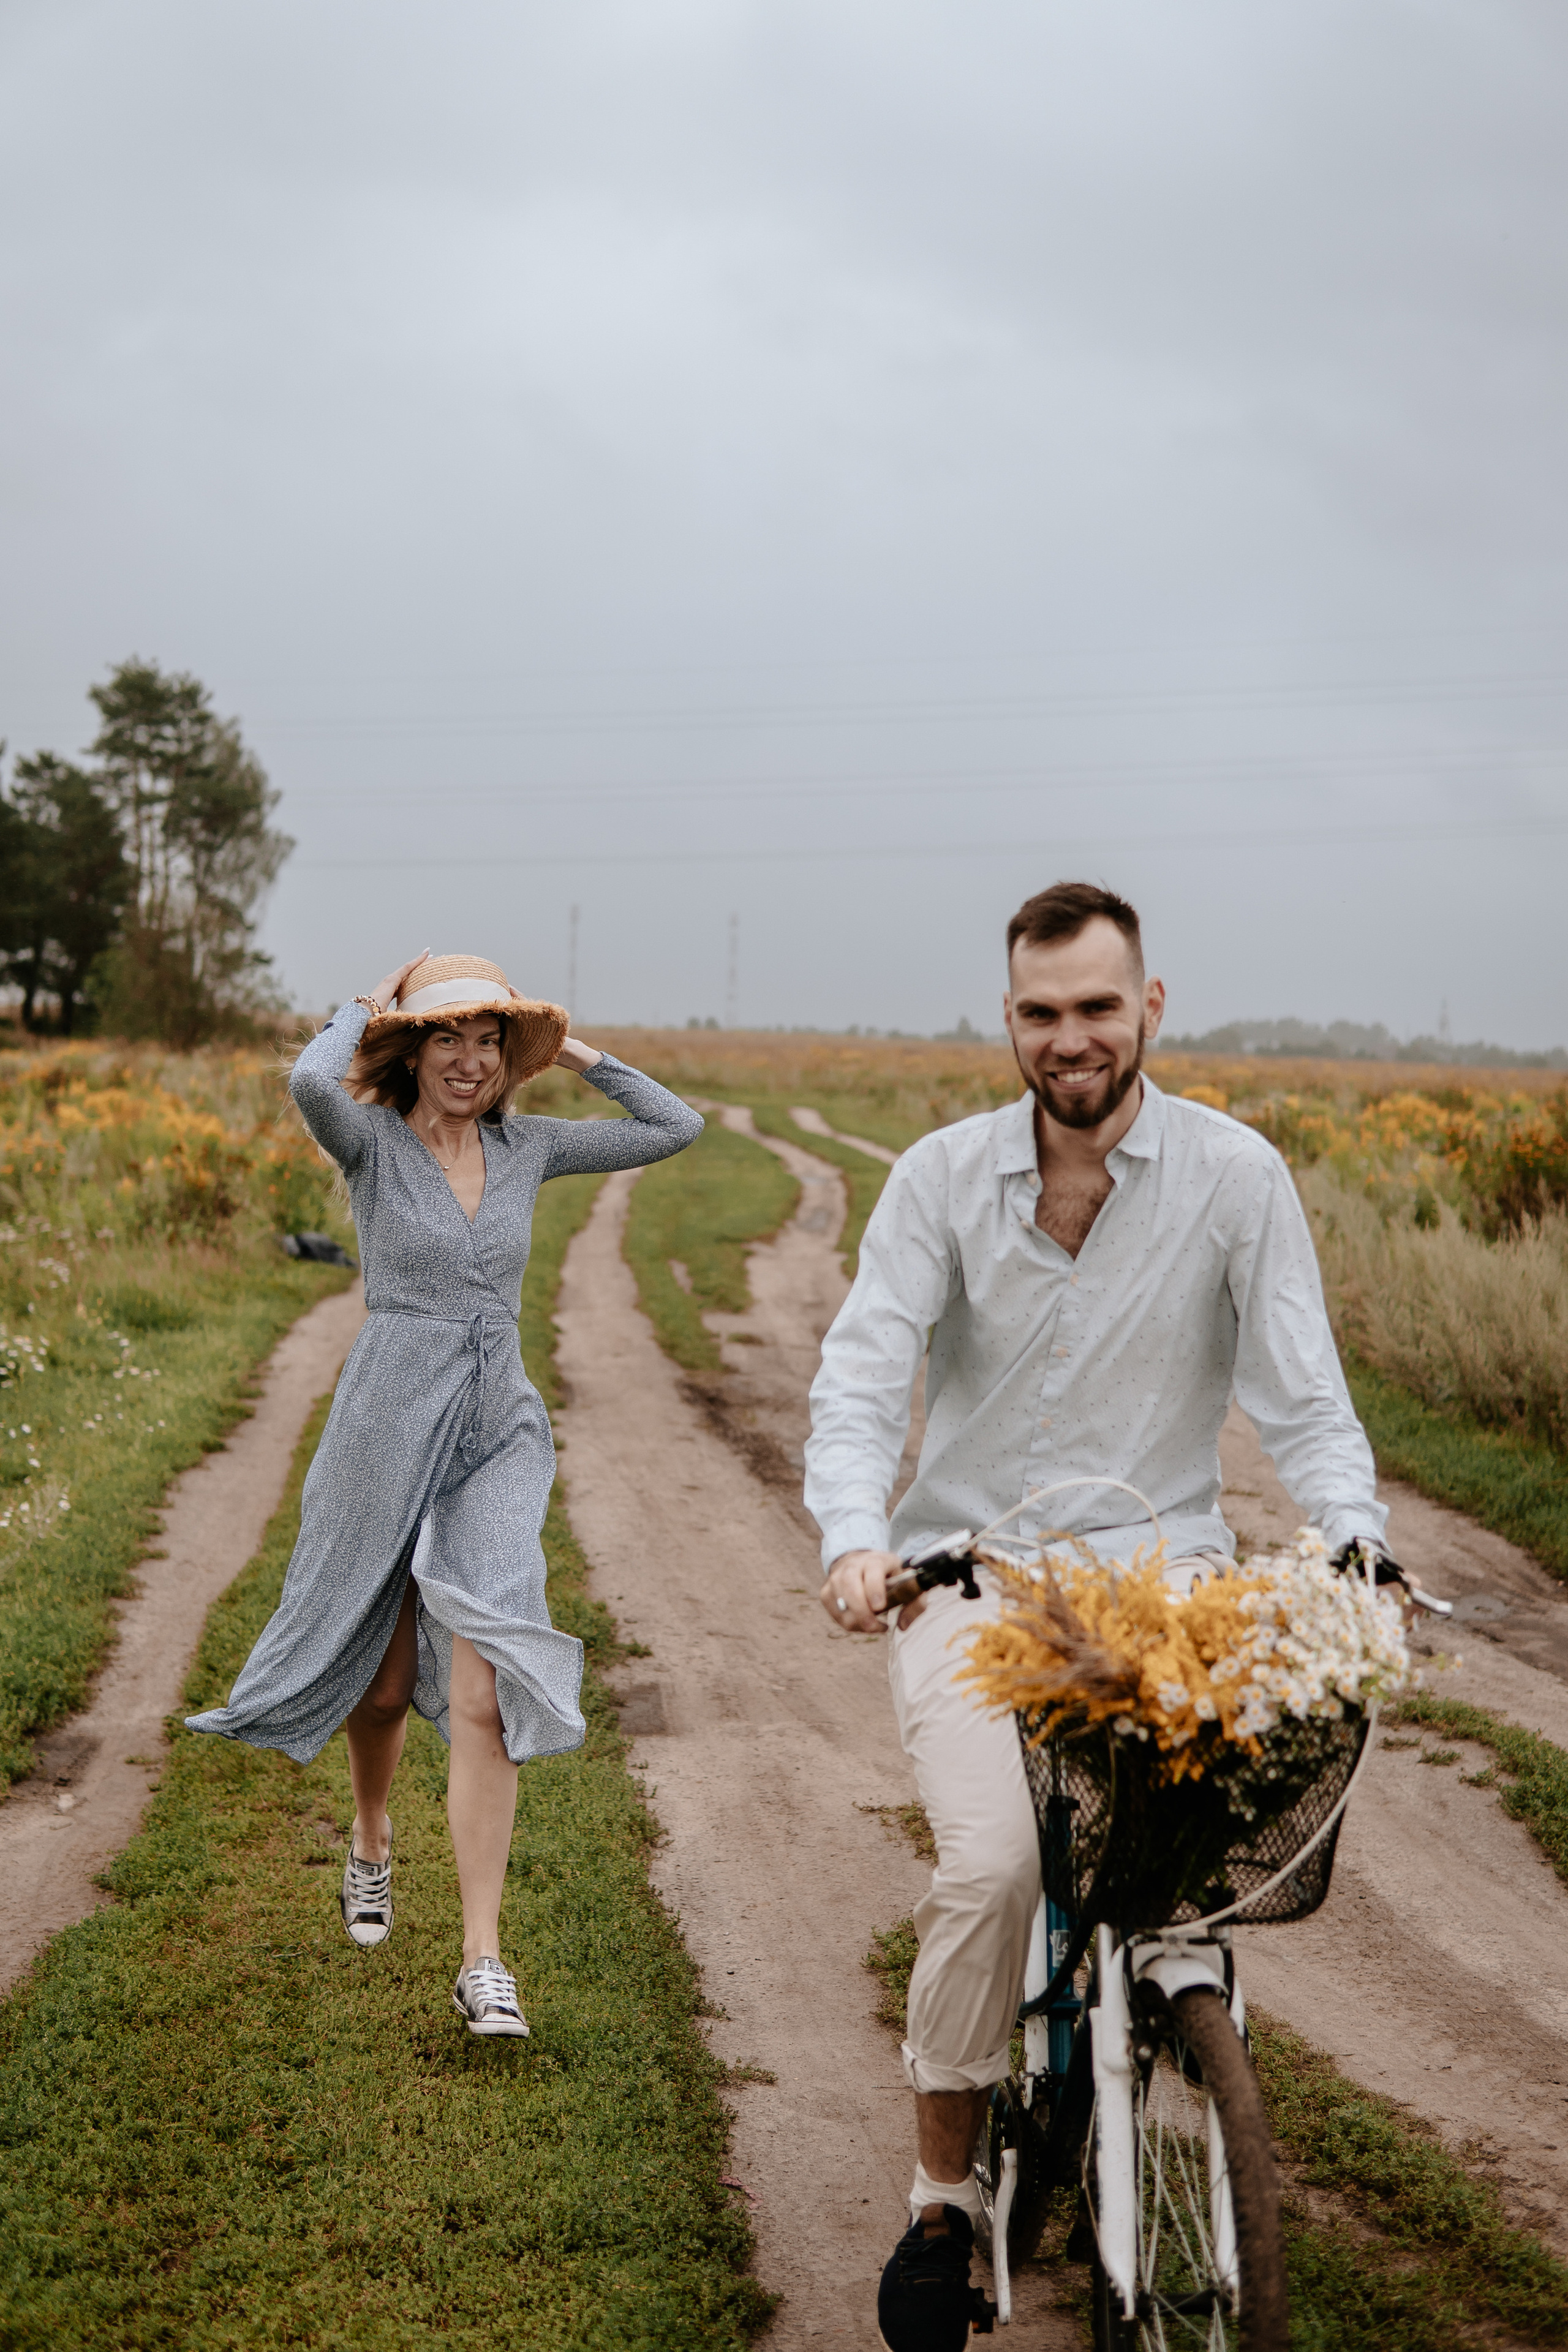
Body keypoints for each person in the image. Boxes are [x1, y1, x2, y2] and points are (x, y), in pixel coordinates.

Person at [802, 883, 1389, 2351]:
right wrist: (856, 1540)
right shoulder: (938, 1180)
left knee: (1174, 1860)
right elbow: (867, 1374)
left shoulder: (1234, 1176)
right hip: (970, 1581)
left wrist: (1358, 1537)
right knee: (997, 1867)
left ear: (1149, 1009)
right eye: (1040, 1012)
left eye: (1096, 1007)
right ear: (1008, 1019)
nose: (1070, 1038)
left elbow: (1304, 1400)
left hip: (1162, 1580)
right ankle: (943, 2194)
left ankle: (1165, 2040)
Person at [187, 951, 702, 2035]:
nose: (469, 1062)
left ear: (512, 1056)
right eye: (446, 1039)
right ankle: (373, 1837)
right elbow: (310, 1084)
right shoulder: (369, 1141)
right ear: (411, 1050)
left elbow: (676, 1127)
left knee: (484, 1685)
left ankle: (482, 1960)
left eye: (488, 1042)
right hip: (387, 1413)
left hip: (495, 1428)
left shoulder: (534, 1144)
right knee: (382, 1686)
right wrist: (362, 1010)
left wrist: (575, 1049)